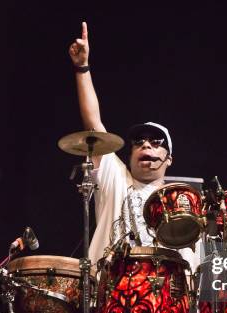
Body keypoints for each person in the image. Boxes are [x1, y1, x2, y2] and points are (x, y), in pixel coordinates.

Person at [68, 21, 201, 272]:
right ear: (129, 156)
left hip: (166, 299)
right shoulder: (116, 178)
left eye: (156, 142)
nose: (146, 145)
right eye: (138, 142)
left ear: (169, 158)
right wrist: (82, 68)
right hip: (111, 293)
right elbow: (94, 124)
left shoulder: (181, 204)